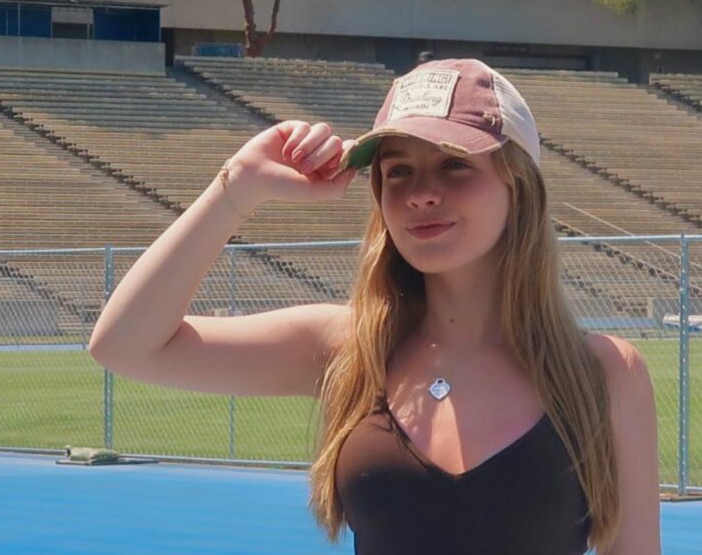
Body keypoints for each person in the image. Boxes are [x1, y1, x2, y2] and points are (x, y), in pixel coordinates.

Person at [89, 58, 660, 555]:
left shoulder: (604, 373)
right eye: (398, 171)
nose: (421, 193)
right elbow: (124, 345)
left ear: (519, 185)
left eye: (455, 163)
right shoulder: (348, 348)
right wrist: (237, 188)